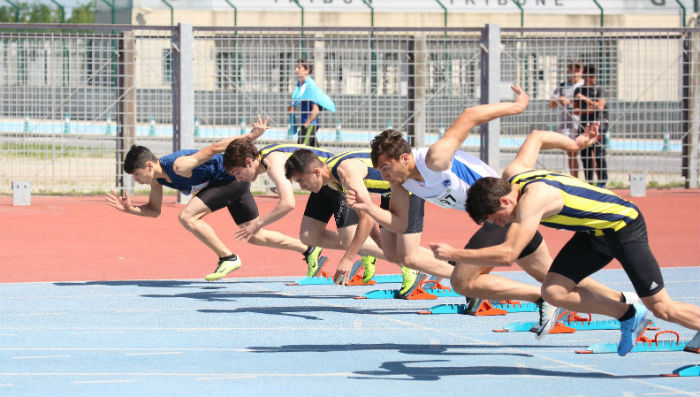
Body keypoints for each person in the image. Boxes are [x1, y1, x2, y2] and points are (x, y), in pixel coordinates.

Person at [348, 85, 631, 325]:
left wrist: (517, 107)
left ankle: (542, 301)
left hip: (502, 208)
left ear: (406, 158)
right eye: (380, 170)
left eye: (386, 167)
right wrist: (368, 207)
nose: (383, 175)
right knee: (552, 276)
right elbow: (398, 224)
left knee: (462, 281)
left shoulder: (434, 159)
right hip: (500, 219)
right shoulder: (402, 185)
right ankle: (623, 304)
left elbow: (470, 115)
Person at [435, 124, 700, 356]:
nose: (499, 224)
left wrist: (457, 254)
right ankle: (628, 314)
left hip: (624, 227)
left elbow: (507, 255)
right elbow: (537, 137)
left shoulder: (532, 202)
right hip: (593, 234)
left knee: (663, 308)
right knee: (554, 292)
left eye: (497, 218)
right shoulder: (513, 174)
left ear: (505, 200)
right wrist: (574, 144)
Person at [105, 116, 322, 281]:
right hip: (231, 183)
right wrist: (130, 209)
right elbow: (154, 210)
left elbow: (215, 148)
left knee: (188, 216)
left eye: (137, 175)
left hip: (233, 177)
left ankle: (227, 258)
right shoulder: (157, 180)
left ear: (149, 166)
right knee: (254, 235)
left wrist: (249, 137)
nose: (137, 181)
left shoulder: (179, 165)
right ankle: (310, 249)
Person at [284, 148, 455, 295]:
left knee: (408, 256)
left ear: (315, 172)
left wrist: (349, 258)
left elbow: (366, 217)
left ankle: (462, 274)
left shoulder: (345, 172)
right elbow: (364, 212)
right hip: (393, 192)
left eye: (301, 180)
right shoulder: (331, 183)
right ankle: (453, 264)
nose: (301, 186)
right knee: (392, 251)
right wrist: (380, 242)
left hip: (410, 188)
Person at [221, 139, 376, 278]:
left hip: (334, 180)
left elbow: (288, 203)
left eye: (237, 173)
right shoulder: (267, 157)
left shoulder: (273, 164)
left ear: (249, 162)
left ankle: (382, 253)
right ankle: (360, 248)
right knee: (309, 236)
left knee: (349, 239)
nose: (238, 179)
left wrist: (257, 225)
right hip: (319, 185)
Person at [288, 59, 335, 147]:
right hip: (306, 124)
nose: (296, 70)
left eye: (299, 67)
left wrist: (306, 124)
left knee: (302, 151)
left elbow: (315, 110)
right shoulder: (301, 86)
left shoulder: (310, 86)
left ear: (307, 71)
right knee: (312, 150)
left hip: (309, 125)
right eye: (296, 67)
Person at [574, 63, 609, 187]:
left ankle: (602, 182)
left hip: (600, 126)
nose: (591, 79)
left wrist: (585, 99)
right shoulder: (579, 90)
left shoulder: (599, 89)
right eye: (589, 76)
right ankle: (589, 181)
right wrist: (588, 109)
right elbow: (575, 110)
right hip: (584, 126)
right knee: (585, 155)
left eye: (593, 76)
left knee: (599, 154)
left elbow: (600, 106)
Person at [550, 61, 583, 178]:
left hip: (583, 122)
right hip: (567, 125)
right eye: (572, 70)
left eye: (577, 70)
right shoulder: (562, 86)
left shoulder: (584, 85)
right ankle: (575, 179)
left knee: (590, 152)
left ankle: (594, 181)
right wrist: (560, 99)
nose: (575, 73)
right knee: (572, 152)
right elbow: (552, 104)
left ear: (581, 72)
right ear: (569, 71)